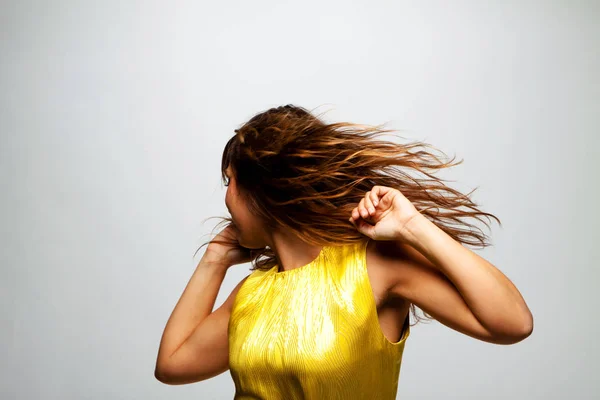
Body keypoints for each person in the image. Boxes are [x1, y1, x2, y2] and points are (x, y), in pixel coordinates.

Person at [154, 105, 534, 398]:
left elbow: (512, 323)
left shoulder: (374, 266)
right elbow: (172, 365)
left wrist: (413, 227)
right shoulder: (253, 292)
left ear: (258, 191)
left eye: (230, 181)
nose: (224, 197)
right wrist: (215, 259)